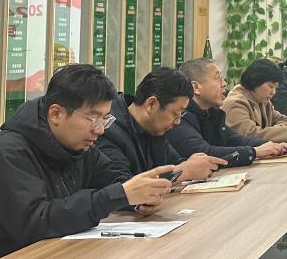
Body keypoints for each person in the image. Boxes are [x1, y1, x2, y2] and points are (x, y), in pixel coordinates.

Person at [0, 65, 174, 259]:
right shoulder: (7, 152)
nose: (100, 130)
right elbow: (35, 221)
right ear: (56, 114)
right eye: (93, 118)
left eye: (105, 119)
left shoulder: (79, 146)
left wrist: (139, 197)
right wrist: (118, 195)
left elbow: (113, 177)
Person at [95, 67, 225, 180]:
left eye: (181, 115)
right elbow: (123, 186)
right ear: (151, 104)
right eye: (175, 114)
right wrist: (182, 172)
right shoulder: (108, 130)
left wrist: (194, 165)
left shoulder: (154, 128)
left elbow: (176, 164)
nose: (178, 121)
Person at [169, 58, 287, 165]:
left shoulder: (212, 112)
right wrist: (255, 152)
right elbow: (205, 152)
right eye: (218, 78)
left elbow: (235, 139)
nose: (224, 83)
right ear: (196, 87)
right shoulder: (179, 117)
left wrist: (271, 145)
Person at [223, 58, 287, 142]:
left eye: (275, 87)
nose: (273, 92)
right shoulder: (235, 103)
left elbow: (284, 120)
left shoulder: (261, 100)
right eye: (270, 86)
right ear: (256, 80)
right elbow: (250, 135)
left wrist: (275, 132)